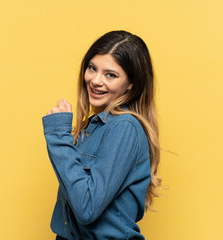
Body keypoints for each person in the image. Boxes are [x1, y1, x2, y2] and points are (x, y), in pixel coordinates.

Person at [42, 30, 161, 240]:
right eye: (92, 68)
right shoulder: (94, 128)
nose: (96, 81)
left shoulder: (124, 127)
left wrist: (59, 135)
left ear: (131, 83)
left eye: (110, 75)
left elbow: (87, 207)